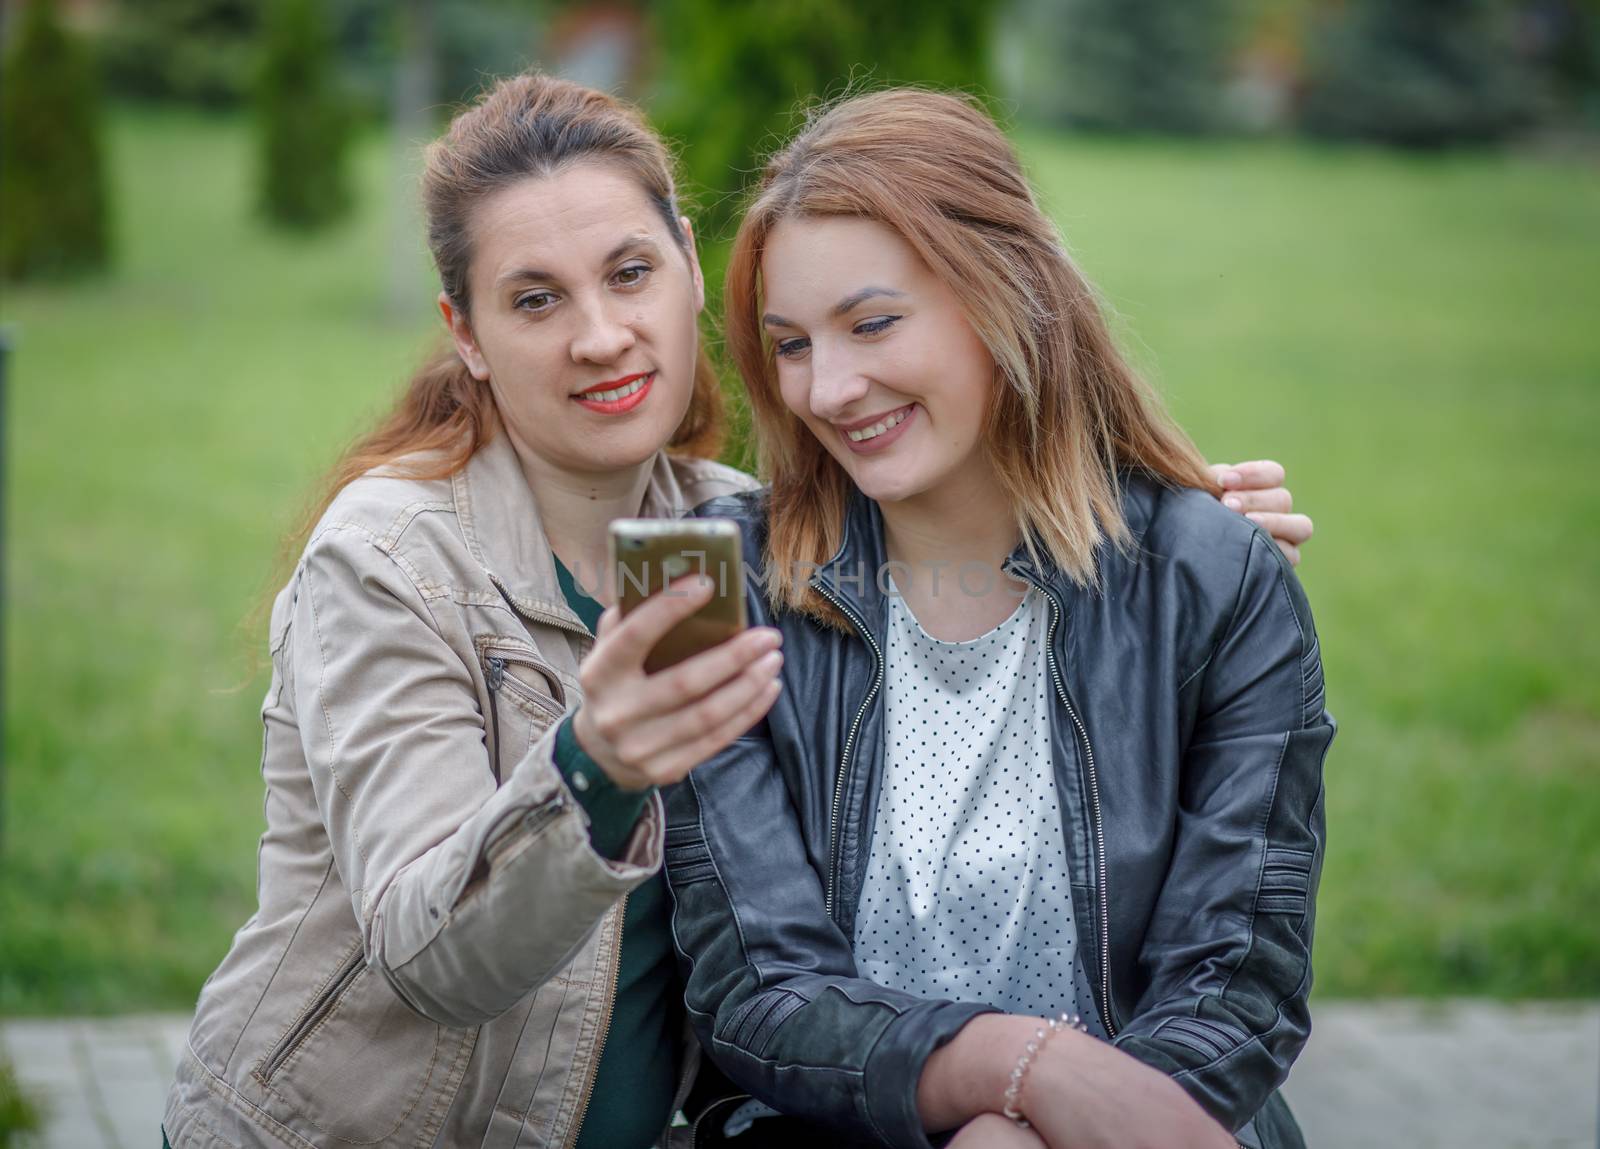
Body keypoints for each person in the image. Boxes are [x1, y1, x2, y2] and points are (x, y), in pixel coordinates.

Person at [162, 73, 1312, 1149]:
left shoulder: (726, 535)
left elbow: (977, 498)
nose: (601, 335)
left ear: (687, 270)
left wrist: (1172, 538)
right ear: (465, 332)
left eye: (628, 273)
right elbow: (445, 955)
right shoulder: (398, 560)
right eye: (533, 300)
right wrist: (598, 762)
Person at [665, 89, 1336, 1149]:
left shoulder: (1216, 576)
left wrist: (1043, 1129)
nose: (827, 389)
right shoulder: (701, 585)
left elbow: (1236, 983)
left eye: (873, 322)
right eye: (789, 344)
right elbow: (757, 995)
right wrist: (1020, 1073)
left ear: (1003, 293)